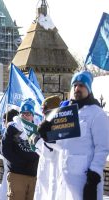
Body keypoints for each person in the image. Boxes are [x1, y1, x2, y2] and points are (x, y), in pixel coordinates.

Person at [37, 71, 109, 200]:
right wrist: (48, 136)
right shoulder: (67, 113)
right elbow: (63, 145)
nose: (77, 88)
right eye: (75, 85)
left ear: (88, 88)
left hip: (84, 178)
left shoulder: (97, 114)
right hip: (64, 177)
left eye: (81, 85)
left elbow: (102, 148)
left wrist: (94, 177)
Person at [1, 98, 39, 200]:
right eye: (23, 113)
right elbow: (4, 149)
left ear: (32, 115)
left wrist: (35, 164)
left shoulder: (38, 129)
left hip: (34, 175)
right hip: (17, 174)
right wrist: (21, 163)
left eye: (28, 114)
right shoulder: (12, 128)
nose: (26, 116)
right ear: (20, 114)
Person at [28, 95, 61, 200]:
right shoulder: (46, 125)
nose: (42, 113)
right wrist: (35, 144)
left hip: (53, 176)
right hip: (44, 174)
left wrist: (38, 142)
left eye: (45, 110)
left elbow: (50, 153)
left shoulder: (58, 127)